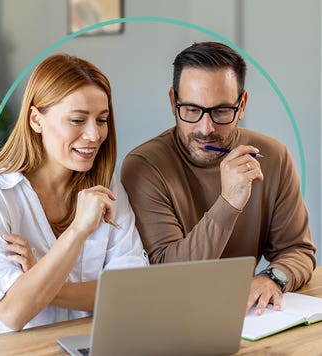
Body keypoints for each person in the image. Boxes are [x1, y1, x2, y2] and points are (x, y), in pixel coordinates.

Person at [121, 41, 316, 315]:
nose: (205, 128)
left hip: (247, 317)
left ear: (243, 104)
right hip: (173, 315)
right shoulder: (144, 167)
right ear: (172, 102)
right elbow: (168, 274)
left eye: (222, 111)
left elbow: (297, 250)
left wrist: (272, 278)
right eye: (191, 110)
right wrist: (228, 203)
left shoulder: (274, 156)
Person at [0, 54, 148, 339]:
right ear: (36, 120)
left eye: (102, 120)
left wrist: (42, 281)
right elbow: (12, 313)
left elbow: (131, 292)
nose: (94, 134)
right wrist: (77, 230)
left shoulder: (106, 186)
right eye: (77, 120)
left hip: (83, 343)